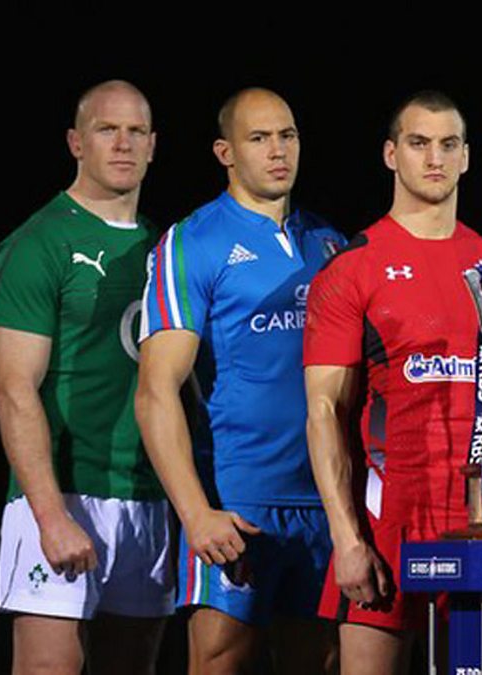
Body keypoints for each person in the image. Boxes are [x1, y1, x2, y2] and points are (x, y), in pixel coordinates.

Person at [134, 87, 345, 674]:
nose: (278, 151)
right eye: (259, 138)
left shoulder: (329, 242)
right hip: (238, 499)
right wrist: (196, 513)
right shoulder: (194, 241)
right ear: (225, 152)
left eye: (288, 135)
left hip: (324, 500)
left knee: (318, 662)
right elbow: (155, 392)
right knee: (221, 661)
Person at [303, 90, 482, 674]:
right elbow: (323, 412)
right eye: (419, 143)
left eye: (448, 144)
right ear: (391, 154)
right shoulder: (353, 268)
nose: (435, 158)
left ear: (466, 156)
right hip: (386, 527)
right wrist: (348, 540)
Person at [0, 79, 172, 675]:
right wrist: (49, 515)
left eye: (136, 131)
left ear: (153, 145)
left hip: (146, 497)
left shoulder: (166, 248)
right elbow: (13, 390)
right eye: (106, 129)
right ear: (75, 142)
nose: (122, 144)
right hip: (64, 492)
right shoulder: (38, 243)